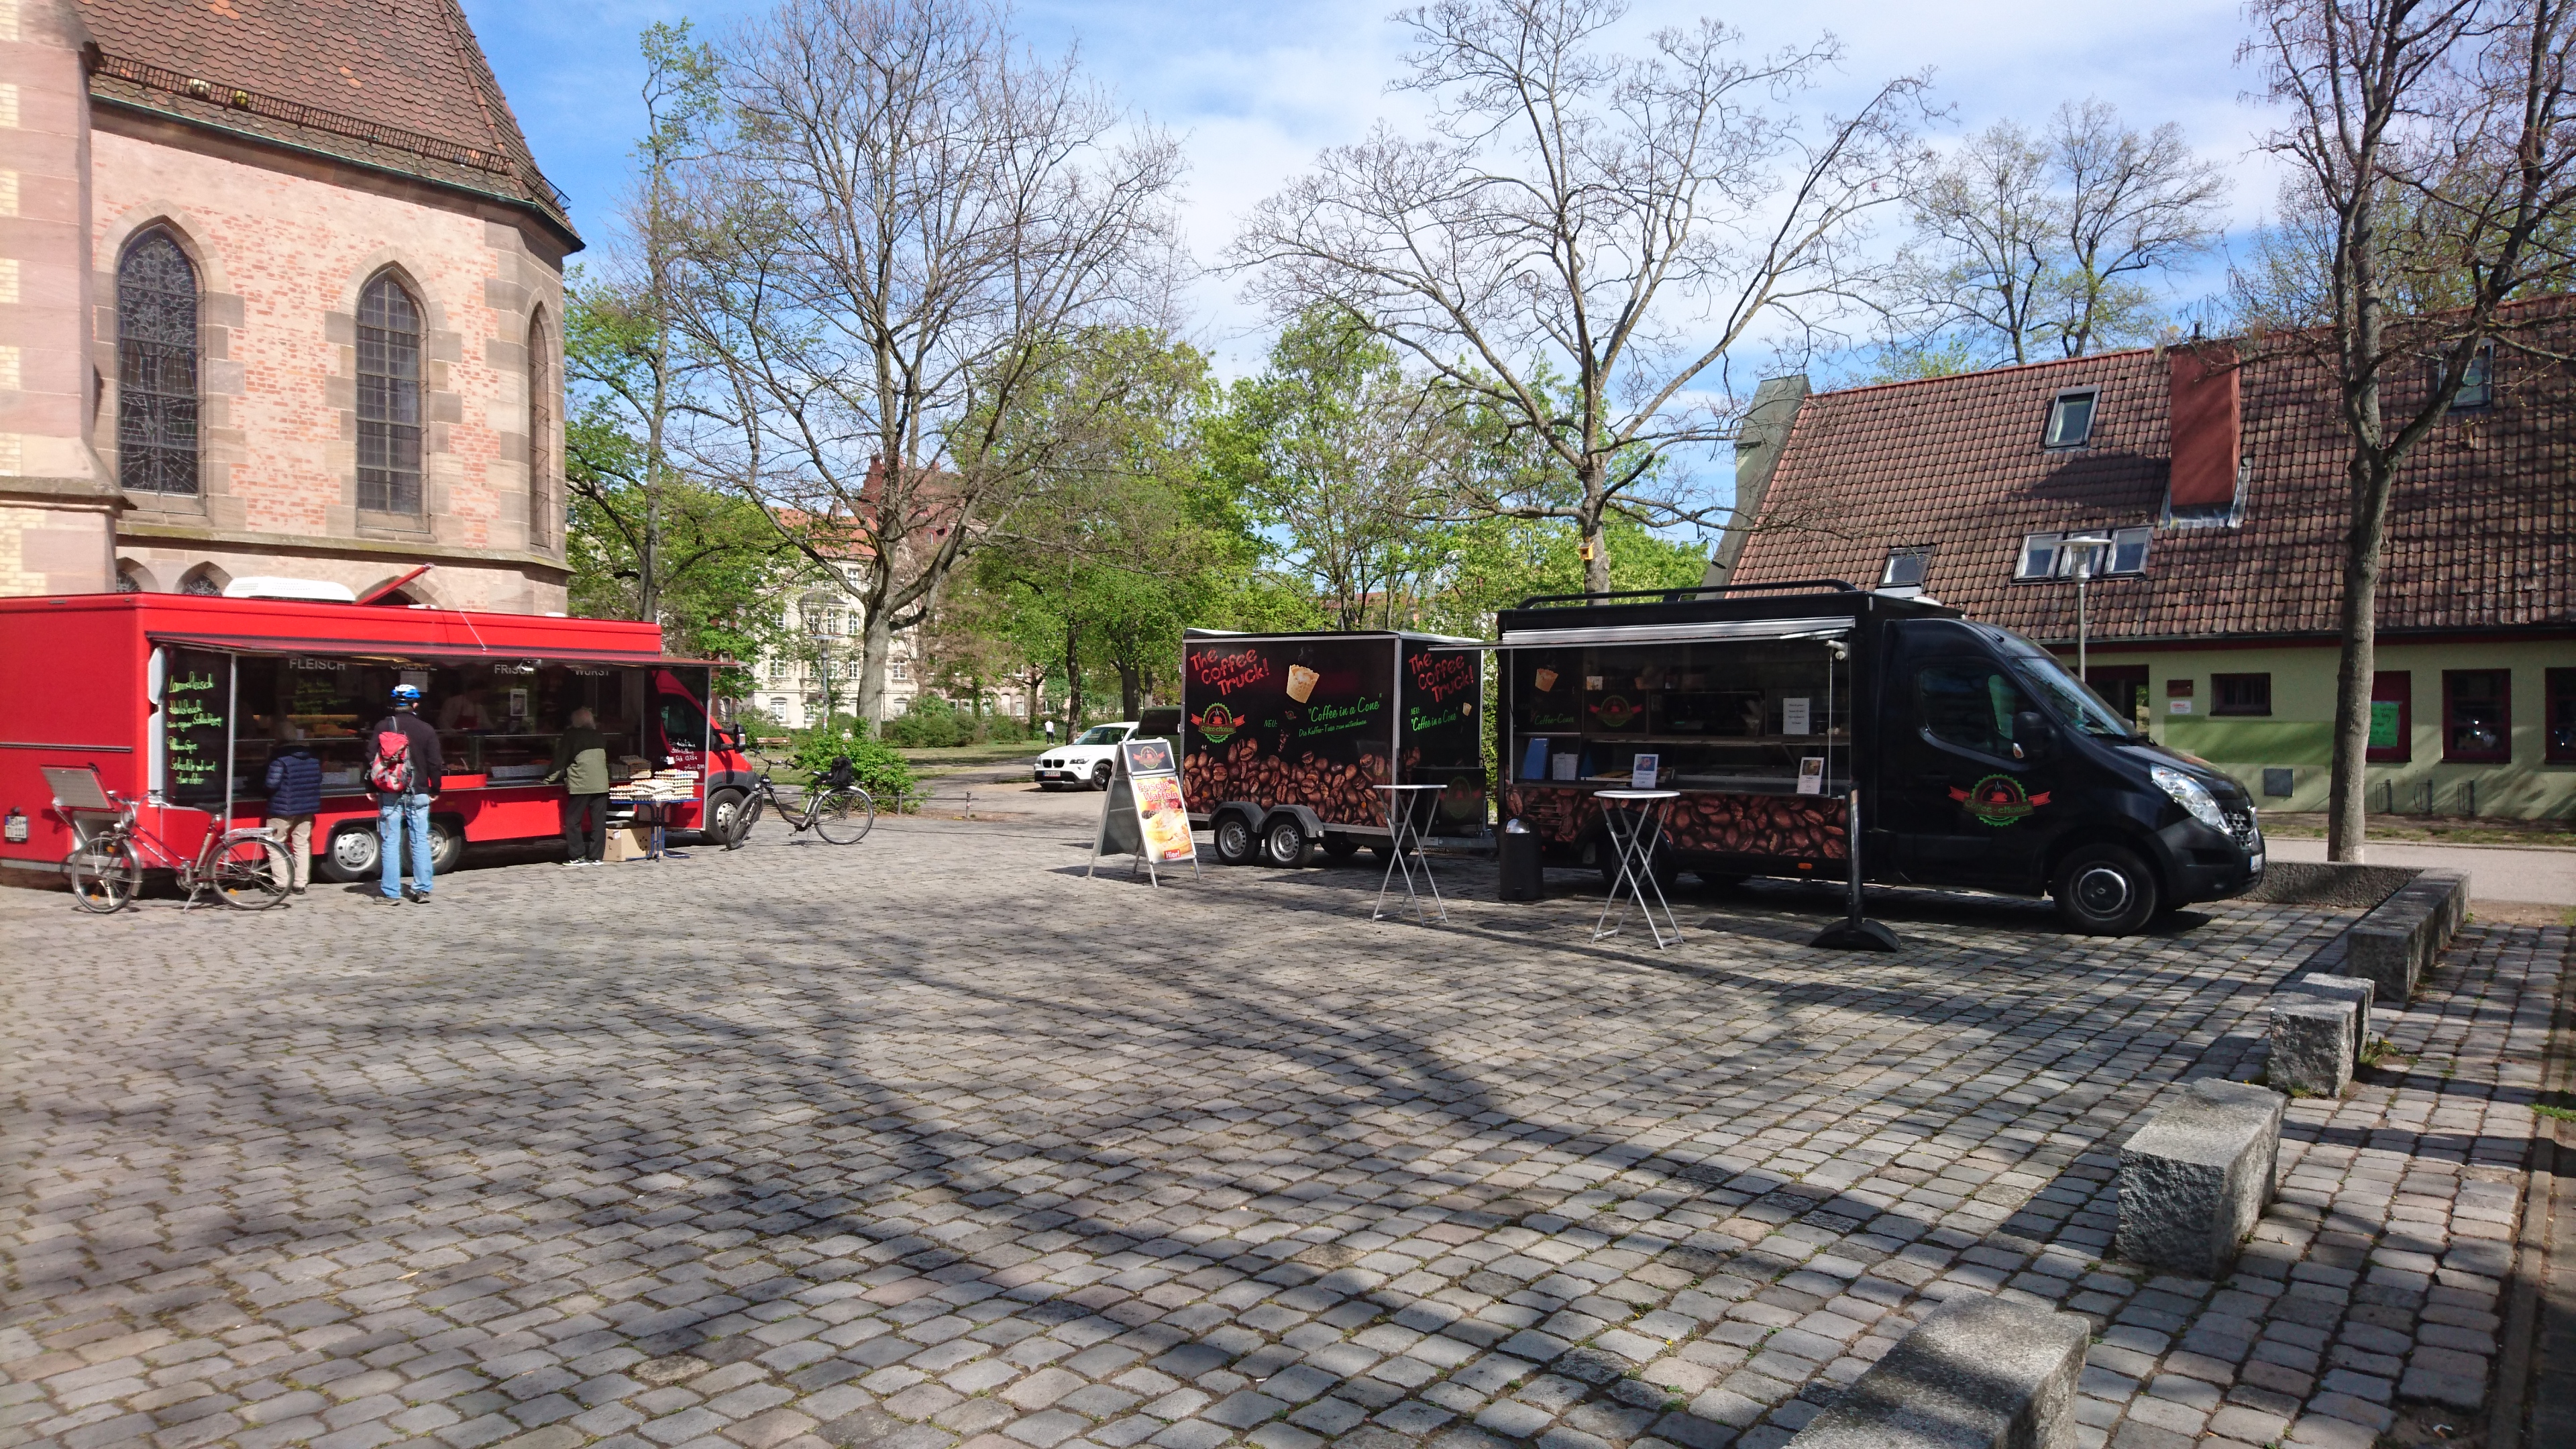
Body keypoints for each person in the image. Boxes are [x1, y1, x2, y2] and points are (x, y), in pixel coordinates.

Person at [368, 683, 443, 904]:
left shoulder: (383, 726)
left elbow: (370, 757)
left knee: (390, 841)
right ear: (415, 704)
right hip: (419, 790)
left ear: (393, 704)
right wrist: (435, 788)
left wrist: (370, 787)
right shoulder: (427, 729)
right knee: (419, 839)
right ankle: (422, 890)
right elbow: (435, 763)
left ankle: (391, 893)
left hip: (389, 790)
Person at [547, 706, 612, 867]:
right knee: (598, 822)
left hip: (581, 784)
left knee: (573, 820)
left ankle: (577, 855)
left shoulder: (571, 735)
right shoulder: (599, 735)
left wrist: (547, 780)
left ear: (575, 721)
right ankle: (597, 857)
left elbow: (560, 760)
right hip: (601, 784)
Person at [262, 720, 321, 894]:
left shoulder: (279, 759)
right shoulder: (312, 758)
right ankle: (300, 884)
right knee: (302, 843)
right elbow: (318, 780)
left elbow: (271, 784)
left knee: (275, 842)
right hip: (307, 807)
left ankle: (281, 883)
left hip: (282, 809)